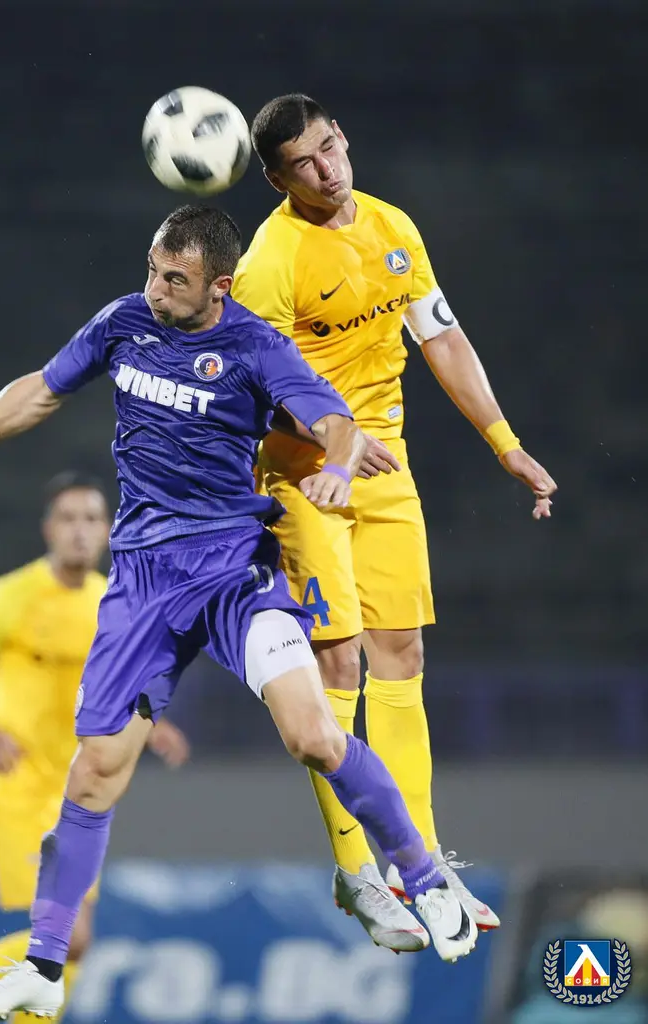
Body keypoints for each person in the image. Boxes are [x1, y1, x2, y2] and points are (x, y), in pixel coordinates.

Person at [0, 205, 477, 1019]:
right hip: (142, 586)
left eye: (174, 278)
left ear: (219, 286)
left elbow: (336, 421)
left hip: (234, 573)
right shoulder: (123, 323)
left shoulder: (256, 347)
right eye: (151, 270)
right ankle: (42, 968)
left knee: (312, 735)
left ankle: (426, 879)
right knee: (94, 773)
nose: (154, 288)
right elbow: (37, 393)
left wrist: (336, 468)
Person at [231, 93, 557, 947]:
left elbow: (439, 336)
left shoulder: (391, 226)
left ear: (343, 138)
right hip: (304, 475)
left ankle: (424, 866)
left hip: (384, 466)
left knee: (401, 650)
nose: (326, 169)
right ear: (277, 180)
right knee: (336, 661)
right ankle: (358, 872)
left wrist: (503, 442)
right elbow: (258, 389)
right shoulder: (270, 263)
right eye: (302, 164)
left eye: (330, 147)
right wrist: (335, 444)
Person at [0, 472, 191, 1024]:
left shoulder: (113, 602)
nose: (80, 530)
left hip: (79, 792)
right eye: (68, 518)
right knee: (68, 936)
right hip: (16, 787)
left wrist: (155, 725)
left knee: (71, 948)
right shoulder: (8, 596)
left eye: (91, 519)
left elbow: (126, 685)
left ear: (109, 530)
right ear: (48, 529)